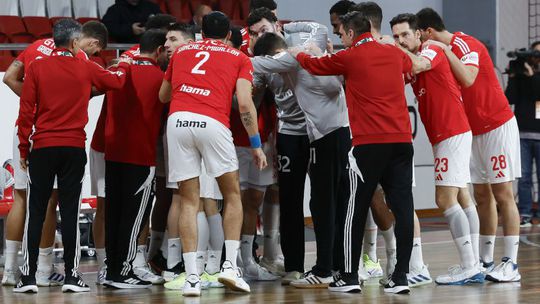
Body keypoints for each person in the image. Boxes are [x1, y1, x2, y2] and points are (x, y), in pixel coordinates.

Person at [290, 11, 426, 294]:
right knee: (402, 208)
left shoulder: (350, 56)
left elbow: (315, 66)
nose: (340, 38)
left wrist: (299, 53)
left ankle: (349, 276)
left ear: (351, 33)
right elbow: (414, 64)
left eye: (341, 34)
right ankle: (400, 277)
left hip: (368, 145)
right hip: (402, 142)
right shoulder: (393, 52)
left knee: (355, 207)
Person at [15, 19, 130, 293]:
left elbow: (26, 112)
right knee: (70, 211)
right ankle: (71, 276)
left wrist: (23, 148)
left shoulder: (37, 67)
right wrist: (125, 62)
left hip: (42, 147)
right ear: (75, 42)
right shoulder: (85, 65)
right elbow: (117, 82)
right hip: (73, 148)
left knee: (37, 212)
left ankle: (28, 277)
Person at [159, 11, 267, 297]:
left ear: (200, 32)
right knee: (231, 194)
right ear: (229, 35)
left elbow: (162, 96)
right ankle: (230, 266)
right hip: (212, 122)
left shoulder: (182, 52)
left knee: (188, 201)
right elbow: (244, 104)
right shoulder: (238, 57)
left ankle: (192, 277)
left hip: (178, 121)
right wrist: (255, 143)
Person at [416, 7, 522, 283]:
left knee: (503, 194)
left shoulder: (465, 43)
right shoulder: (433, 53)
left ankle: (511, 263)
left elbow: (469, 77)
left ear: (427, 32)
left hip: (497, 125)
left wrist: (443, 48)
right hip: (472, 131)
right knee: (482, 196)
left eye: (417, 34)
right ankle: (486, 260)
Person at [251, 15, 351, 290]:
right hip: (291, 134)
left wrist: (286, 28)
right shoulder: (268, 66)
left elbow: (316, 27)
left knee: (325, 199)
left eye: (263, 29)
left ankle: (332, 264)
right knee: (291, 200)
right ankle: (295, 266)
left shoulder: (297, 52)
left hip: (317, 132)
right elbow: (254, 98)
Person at [390, 13, 481, 285]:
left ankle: (469, 265)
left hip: (451, 133)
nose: (400, 40)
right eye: (395, 36)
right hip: (448, 134)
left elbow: (419, 65)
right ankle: (472, 262)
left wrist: (388, 47)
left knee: (444, 199)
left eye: (405, 34)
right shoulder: (413, 58)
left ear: (419, 34)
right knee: (463, 196)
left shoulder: (430, 49)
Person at [102, 29, 168, 289]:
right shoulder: (160, 77)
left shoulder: (119, 69)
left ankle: (112, 269)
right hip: (140, 155)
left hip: (113, 151)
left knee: (114, 214)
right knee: (133, 218)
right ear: (160, 50)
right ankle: (123, 271)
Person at [505, 41, 540, 227]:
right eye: (534, 53)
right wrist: (513, 76)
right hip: (523, 133)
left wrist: (532, 75)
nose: (536, 57)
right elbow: (510, 97)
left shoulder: (534, 75)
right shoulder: (521, 74)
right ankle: (525, 213)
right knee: (524, 177)